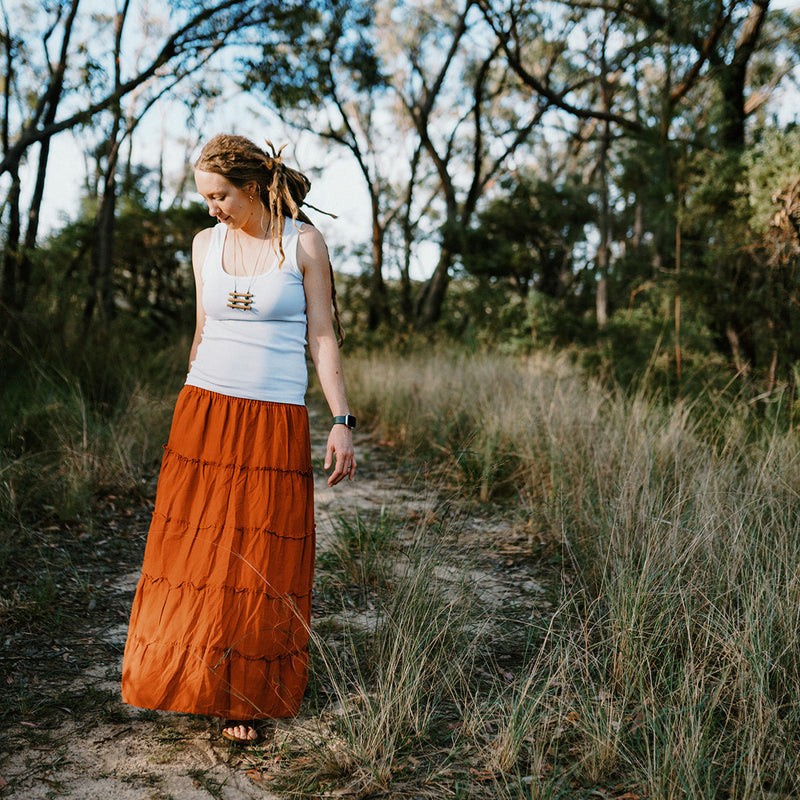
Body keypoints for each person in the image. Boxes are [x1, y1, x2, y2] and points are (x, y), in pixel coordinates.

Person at [121, 133, 356, 744]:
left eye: (219, 196)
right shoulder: (205, 245)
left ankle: (245, 696)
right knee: (193, 552)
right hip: (204, 411)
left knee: (258, 555)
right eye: (205, 198)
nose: (212, 209)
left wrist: (340, 419)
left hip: (274, 417)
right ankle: (189, 676)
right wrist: (187, 406)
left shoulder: (303, 242)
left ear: (251, 187)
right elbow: (201, 331)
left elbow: (323, 337)